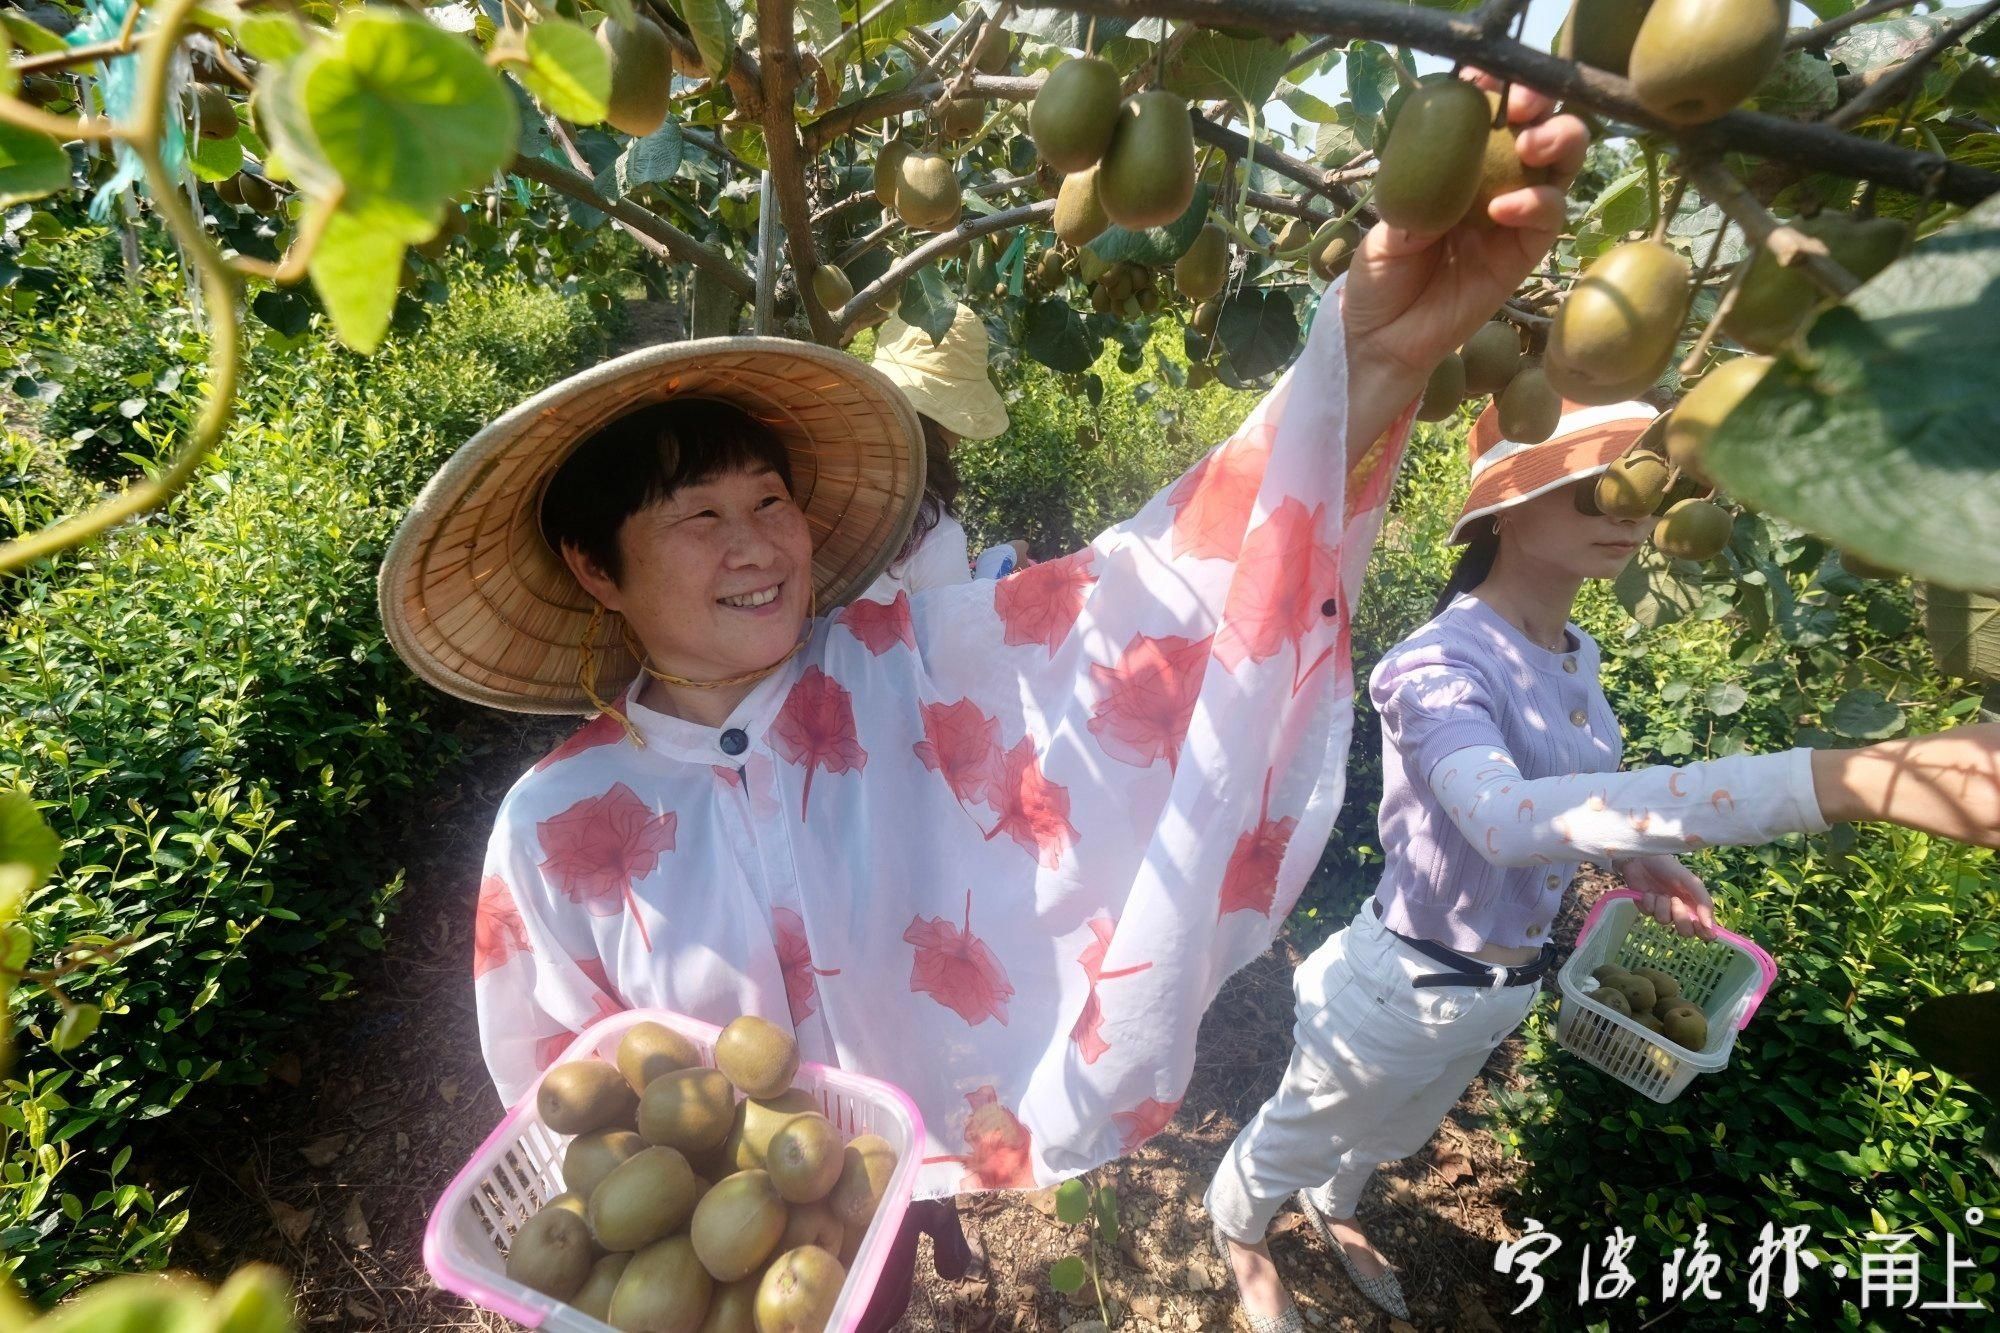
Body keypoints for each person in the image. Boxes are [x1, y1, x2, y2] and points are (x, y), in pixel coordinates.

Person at [376, 73, 1607, 1329]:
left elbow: (1158, 605)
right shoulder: (555, 821)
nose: (754, 546)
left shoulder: (908, 666)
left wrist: (1371, 350)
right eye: (697, 517)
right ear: (597, 568)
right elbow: (570, 1098)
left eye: (767, 502)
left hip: (862, 1229)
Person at [1201, 395, 2000, 1328]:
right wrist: (1842, 778)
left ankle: (1333, 1205)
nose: (1626, 508)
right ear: (1502, 506)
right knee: (1299, 1127)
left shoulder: (1572, 652)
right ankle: (1241, 1229)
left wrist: (1635, 857)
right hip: (1399, 985)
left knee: (1392, 1129)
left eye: (1641, 483)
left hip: (1500, 988)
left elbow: (1561, 796)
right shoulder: (1432, 666)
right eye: (1587, 486)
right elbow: (1503, 818)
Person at [862, 305, 1029, 602]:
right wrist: (994, 574)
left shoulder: (827, 482)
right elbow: (956, 639)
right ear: (943, 423)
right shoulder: (932, 531)